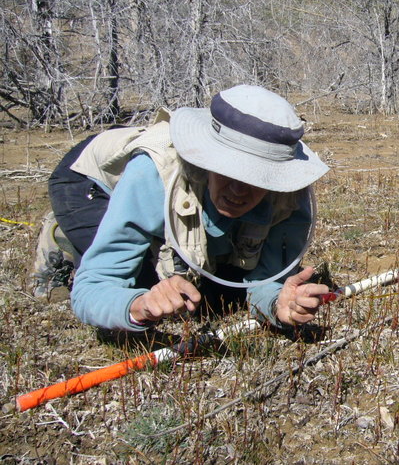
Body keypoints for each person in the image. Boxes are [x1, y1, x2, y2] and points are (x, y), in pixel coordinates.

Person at [32, 84, 331, 331]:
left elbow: (265, 282)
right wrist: (138, 305)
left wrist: (277, 304)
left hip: (173, 187)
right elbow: (92, 289)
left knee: (220, 295)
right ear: (207, 159)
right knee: (147, 286)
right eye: (229, 171)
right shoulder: (152, 174)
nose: (239, 191)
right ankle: (62, 235)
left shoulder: (289, 198)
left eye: (257, 178)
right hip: (91, 180)